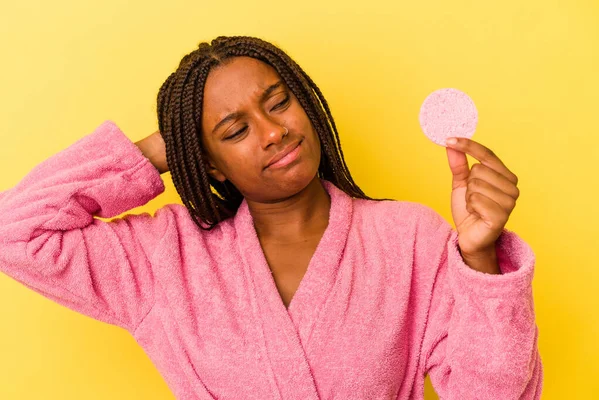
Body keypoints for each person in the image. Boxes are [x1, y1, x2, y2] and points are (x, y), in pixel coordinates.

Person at [0, 36, 542, 399]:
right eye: (235, 130)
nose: (273, 131)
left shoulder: (410, 239)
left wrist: (479, 259)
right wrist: (170, 143)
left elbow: (495, 393)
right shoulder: (163, 256)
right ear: (207, 160)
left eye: (278, 103)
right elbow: (16, 232)